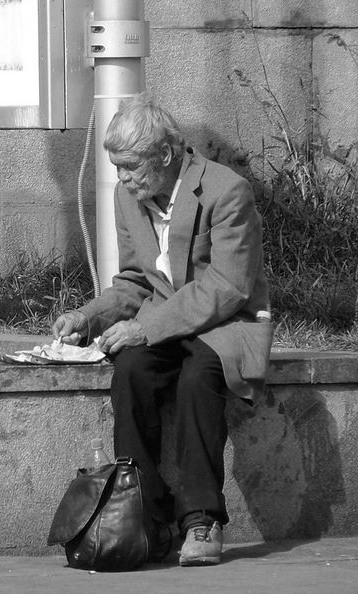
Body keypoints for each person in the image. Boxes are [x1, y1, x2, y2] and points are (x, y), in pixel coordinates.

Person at [52, 92, 273, 566]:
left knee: (199, 378)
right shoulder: (126, 196)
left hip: (224, 324)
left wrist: (145, 327)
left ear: (166, 155)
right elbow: (134, 280)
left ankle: (201, 519)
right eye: (118, 167)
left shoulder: (227, 190)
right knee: (130, 371)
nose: (123, 178)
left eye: (131, 166)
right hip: (163, 321)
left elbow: (227, 287)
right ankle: (147, 515)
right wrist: (88, 319)